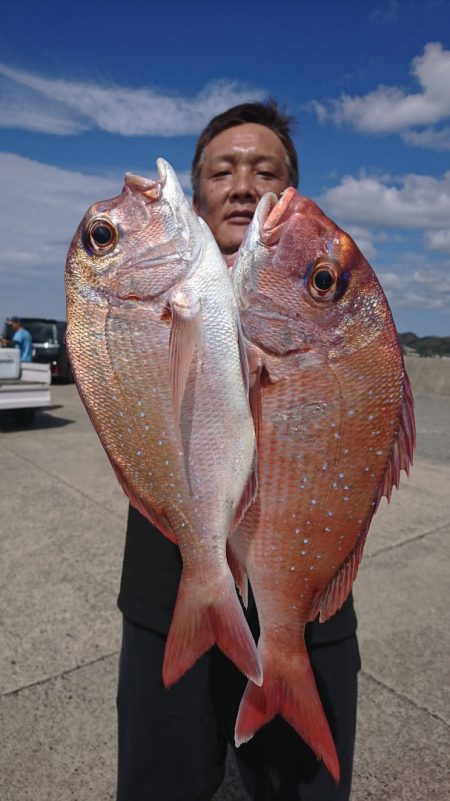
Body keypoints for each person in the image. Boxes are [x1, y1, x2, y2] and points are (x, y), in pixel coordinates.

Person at [116, 100, 360, 801]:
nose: (244, 185)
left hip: (300, 596)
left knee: (302, 788)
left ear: (291, 194)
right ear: (195, 198)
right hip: (172, 588)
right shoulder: (157, 290)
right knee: (161, 781)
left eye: (266, 172)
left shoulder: (325, 290)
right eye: (223, 172)